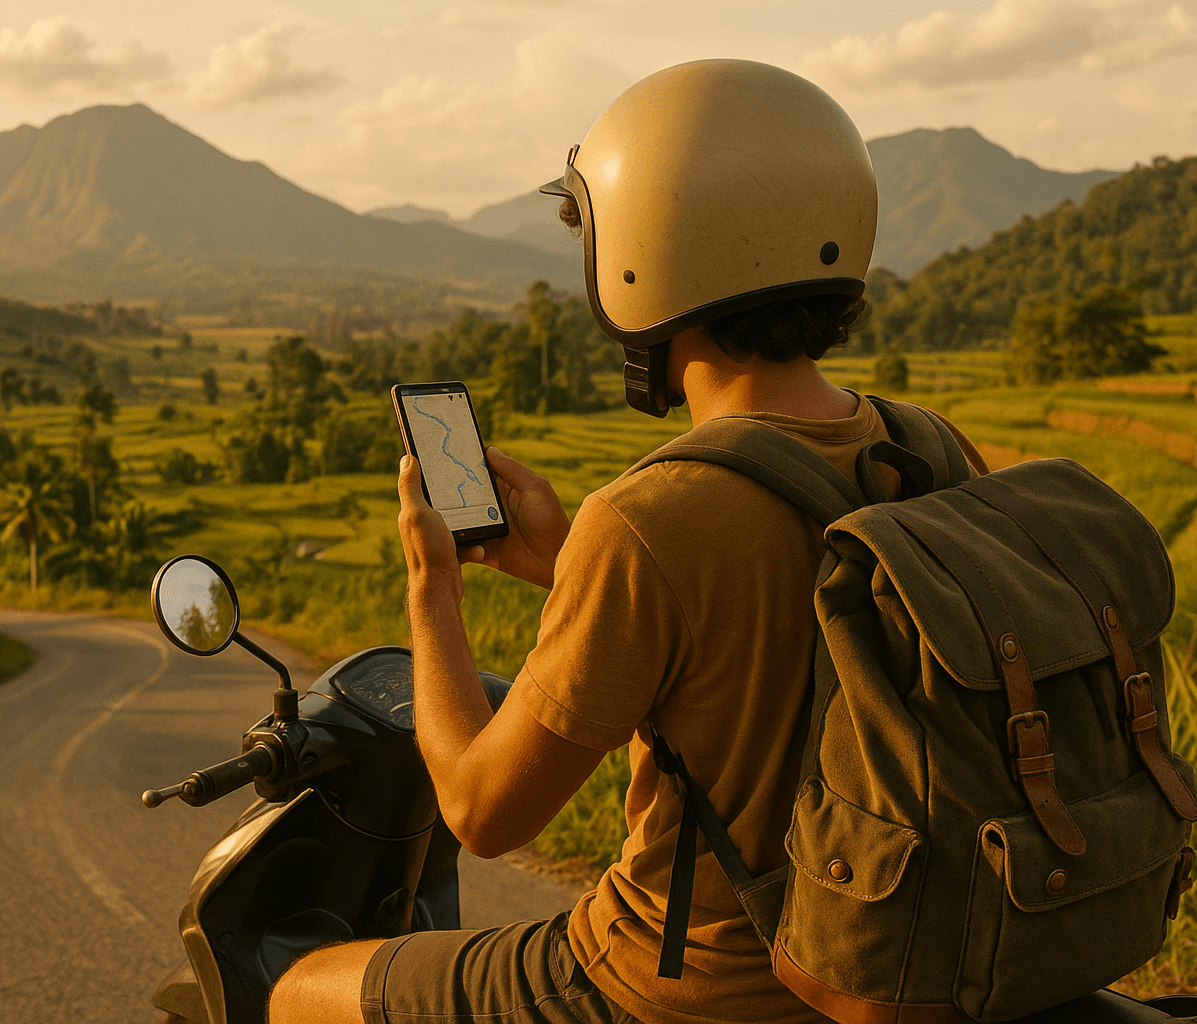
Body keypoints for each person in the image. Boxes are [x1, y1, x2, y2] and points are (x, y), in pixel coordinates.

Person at [268, 59, 987, 1024]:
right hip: (913, 963)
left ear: (644, 256)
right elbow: (776, 644)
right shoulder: (931, 447)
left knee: (294, 991)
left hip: (683, 985)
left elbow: (484, 813)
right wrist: (571, 563)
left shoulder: (654, 519)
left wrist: (431, 589)